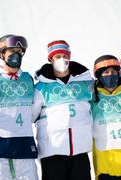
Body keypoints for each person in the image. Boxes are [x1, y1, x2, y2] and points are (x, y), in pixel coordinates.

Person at [32, 40, 93, 180]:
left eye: (65, 56)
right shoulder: (40, 88)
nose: (62, 60)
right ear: (50, 59)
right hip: (52, 154)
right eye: (57, 57)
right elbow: (29, 117)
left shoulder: (85, 83)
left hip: (80, 153)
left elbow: (107, 90)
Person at [0, 34, 38, 180]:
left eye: (19, 52)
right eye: (12, 51)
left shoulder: (28, 79)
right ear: (2, 54)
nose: (16, 55)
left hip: (25, 152)